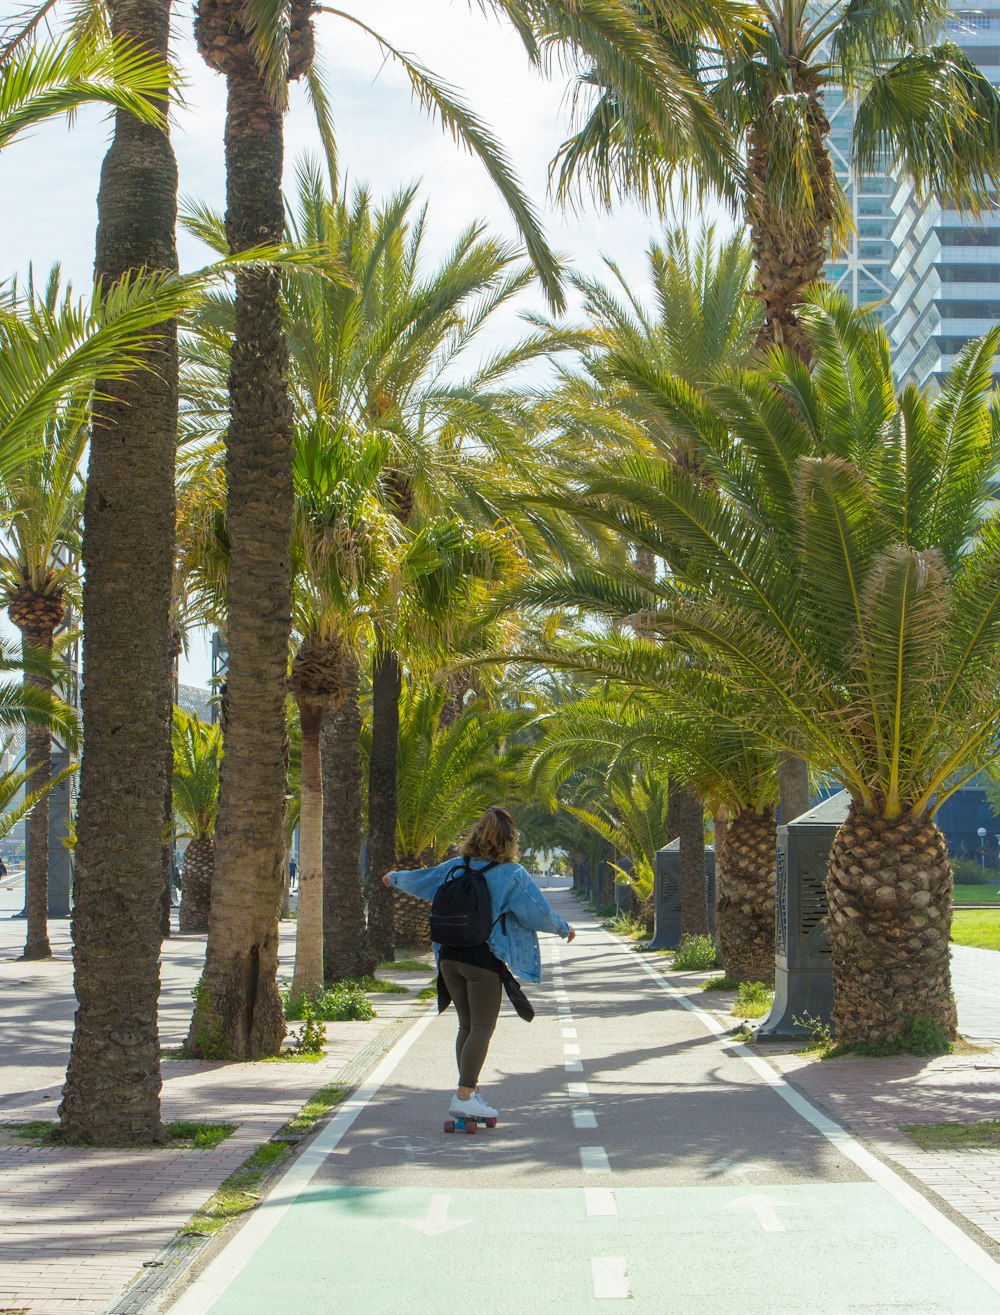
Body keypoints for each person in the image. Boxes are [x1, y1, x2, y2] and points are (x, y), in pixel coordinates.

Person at [383, 805, 575, 1124]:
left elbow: (422, 880)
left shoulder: (457, 866)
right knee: (483, 1028)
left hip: (448, 957)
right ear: (510, 841)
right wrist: (562, 927)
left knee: (467, 1026)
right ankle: (464, 1095)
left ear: (475, 834)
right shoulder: (512, 874)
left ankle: (470, 1093)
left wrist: (395, 878)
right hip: (482, 960)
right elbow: (535, 911)